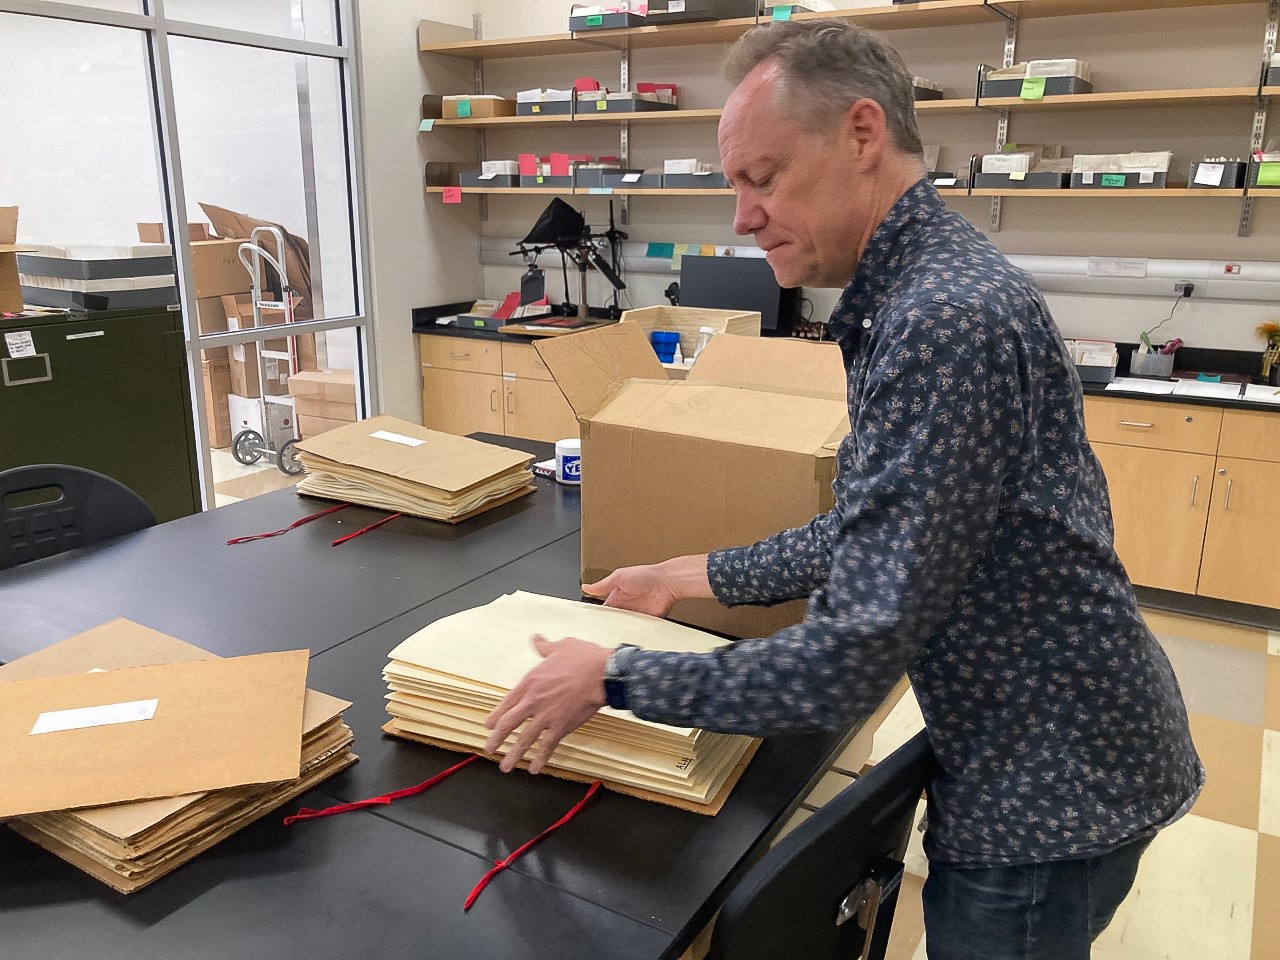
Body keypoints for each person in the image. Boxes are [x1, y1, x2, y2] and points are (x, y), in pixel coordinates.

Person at [484, 19, 1203, 959]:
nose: (742, 217)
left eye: (763, 177)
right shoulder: (918, 293)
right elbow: (882, 528)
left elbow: (849, 655)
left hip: (1047, 790)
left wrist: (613, 677)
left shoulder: (944, 320)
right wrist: (692, 572)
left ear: (862, 134)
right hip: (1044, 752)